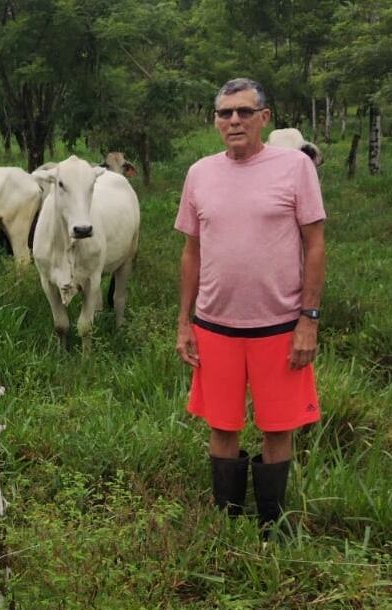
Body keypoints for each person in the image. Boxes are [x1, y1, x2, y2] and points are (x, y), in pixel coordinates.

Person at [175, 78, 326, 539]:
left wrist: (309, 319)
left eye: (244, 111)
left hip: (279, 327)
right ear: (215, 121)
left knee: (277, 428)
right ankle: (227, 523)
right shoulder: (200, 172)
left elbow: (315, 244)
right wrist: (185, 322)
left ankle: (273, 526)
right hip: (215, 325)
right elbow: (191, 252)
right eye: (225, 113)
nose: (234, 120)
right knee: (222, 425)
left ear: (265, 117)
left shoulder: (295, 168)